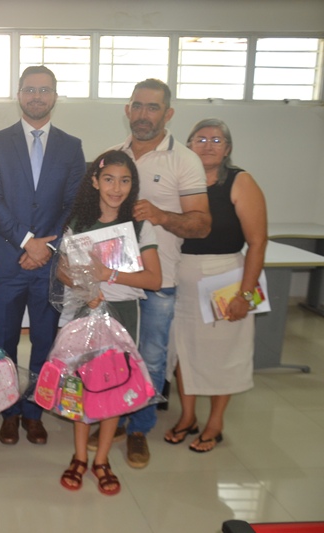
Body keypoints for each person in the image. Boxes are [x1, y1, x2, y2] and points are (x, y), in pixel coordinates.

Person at [91, 79, 211, 468]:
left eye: (153, 107)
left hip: (161, 279)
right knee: (112, 355)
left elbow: (202, 224)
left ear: (168, 113)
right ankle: (112, 419)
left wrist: (160, 216)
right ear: (128, 110)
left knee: (152, 357)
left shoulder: (184, 160)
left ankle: (138, 429)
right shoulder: (112, 156)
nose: (144, 114)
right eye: (138, 106)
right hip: (113, 282)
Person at [0, 65, 85, 446]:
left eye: (44, 90)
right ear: (19, 95)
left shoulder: (71, 146)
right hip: (7, 261)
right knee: (3, 342)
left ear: (55, 96)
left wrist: (47, 246)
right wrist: (28, 242)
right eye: (29, 89)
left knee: (45, 341)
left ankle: (35, 412)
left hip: (49, 266)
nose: (36, 96)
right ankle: (9, 412)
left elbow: (74, 202)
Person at [56, 150, 161, 495]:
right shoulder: (80, 223)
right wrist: (84, 287)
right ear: (95, 182)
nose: (117, 188)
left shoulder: (140, 226)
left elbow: (154, 279)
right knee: (81, 384)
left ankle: (101, 460)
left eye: (125, 181)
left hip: (123, 315)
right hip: (85, 312)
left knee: (114, 384)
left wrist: (108, 274)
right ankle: (79, 456)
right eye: (109, 180)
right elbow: (62, 271)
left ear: (133, 185)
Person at [163, 119, 267, 452]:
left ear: (228, 149)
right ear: (188, 146)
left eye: (217, 140)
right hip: (181, 276)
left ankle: (215, 423)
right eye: (201, 139)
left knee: (224, 353)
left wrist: (245, 295)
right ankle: (188, 417)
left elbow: (258, 242)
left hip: (226, 277)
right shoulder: (180, 180)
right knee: (183, 351)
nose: (208, 145)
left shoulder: (240, 181)